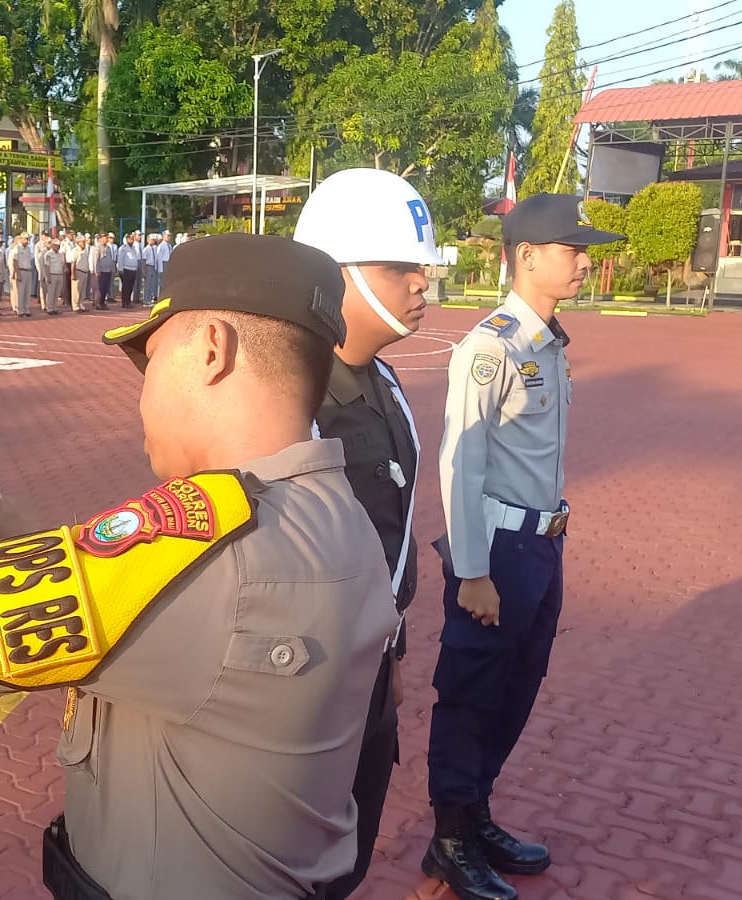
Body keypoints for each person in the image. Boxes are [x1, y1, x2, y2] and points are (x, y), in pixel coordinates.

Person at [0, 233, 399, 899]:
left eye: (151, 358)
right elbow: (102, 567)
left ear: (211, 349)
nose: (142, 393)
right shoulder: (334, 510)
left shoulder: (218, 543)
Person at [426, 194, 620, 900]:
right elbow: (459, 463)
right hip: (497, 551)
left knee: (516, 689)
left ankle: (475, 814)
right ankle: (448, 839)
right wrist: (472, 571)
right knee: (472, 694)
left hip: (542, 548)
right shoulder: (492, 346)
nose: (586, 260)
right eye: (574, 249)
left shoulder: (548, 341)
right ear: (528, 256)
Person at [294, 167, 443, 896]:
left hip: (369, 671)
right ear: (337, 270)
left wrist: (393, 656)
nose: (422, 282)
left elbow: (391, 538)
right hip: (304, 687)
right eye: (400, 267)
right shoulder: (289, 397)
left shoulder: (383, 385)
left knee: (349, 858)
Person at [8, 232, 36, 318]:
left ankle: (27, 309)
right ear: (20, 239)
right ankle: (20, 310)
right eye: (25, 239)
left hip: (28, 270)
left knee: (27, 292)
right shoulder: (17, 249)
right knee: (21, 292)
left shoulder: (27, 249)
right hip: (21, 270)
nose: (27, 240)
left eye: (27, 238)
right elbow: (15, 262)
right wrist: (17, 273)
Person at [40, 238, 66, 315]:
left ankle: (55, 307)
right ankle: (50, 308)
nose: (58, 247)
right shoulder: (48, 254)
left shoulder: (60, 254)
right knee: (51, 293)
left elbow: (62, 265)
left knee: (57, 293)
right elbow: (46, 266)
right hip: (52, 274)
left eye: (59, 246)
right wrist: (48, 276)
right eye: (56, 246)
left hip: (59, 274)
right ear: (52, 245)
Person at [91, 233, 114, 309]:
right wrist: (96, 270)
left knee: (106, 288)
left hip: (108, 270)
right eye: (104, 238)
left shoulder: (108, 247)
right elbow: (95, 260)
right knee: (100, 288)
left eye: (106, 238)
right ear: (100, 239)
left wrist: (112, 269)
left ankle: (103, 302)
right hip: (101, 271)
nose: (106, 239)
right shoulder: (97, 247)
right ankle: (98, 303)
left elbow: (111, 259)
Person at [140, 234, 162, 305]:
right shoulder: (146, 249)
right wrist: (144, 270)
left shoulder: (155, 248)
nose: (152, 241)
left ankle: (150, 298)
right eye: (151, 240)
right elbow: (144, 260)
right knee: (147, 284)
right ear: (148, 240)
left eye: (153, 240)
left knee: (152, 283)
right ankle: (146, 300)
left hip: (154, 267)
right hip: (148, 266)